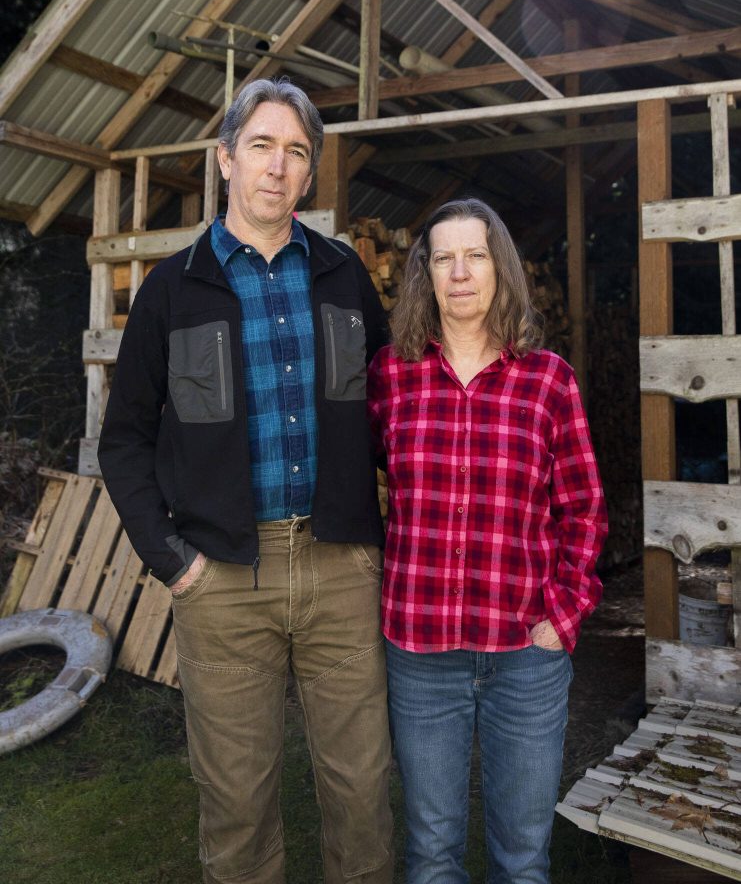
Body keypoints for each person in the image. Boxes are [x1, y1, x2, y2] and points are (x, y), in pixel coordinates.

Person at [98, 78, 394, 884]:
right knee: (236, 803)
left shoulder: (342, 275)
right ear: (225, 159)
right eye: (261, 145)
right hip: (222, 577)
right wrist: (174, 562)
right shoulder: (172, 289)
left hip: (340, 567)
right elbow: (122, 442)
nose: (277, 165)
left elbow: (392, 411)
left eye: (295, 151)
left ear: (309, 173)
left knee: (362, 791)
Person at [367, 198, 607, 884]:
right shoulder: (391, 375)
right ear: (424, 274)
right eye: (443, 258)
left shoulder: (548, 379)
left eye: (474, 256)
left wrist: (562, 617)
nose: (459, 273)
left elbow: (584, 509)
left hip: (524, 654)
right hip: (421, 653)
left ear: (499, 269)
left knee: (522, 856)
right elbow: (357, 483)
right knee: (431, 852)